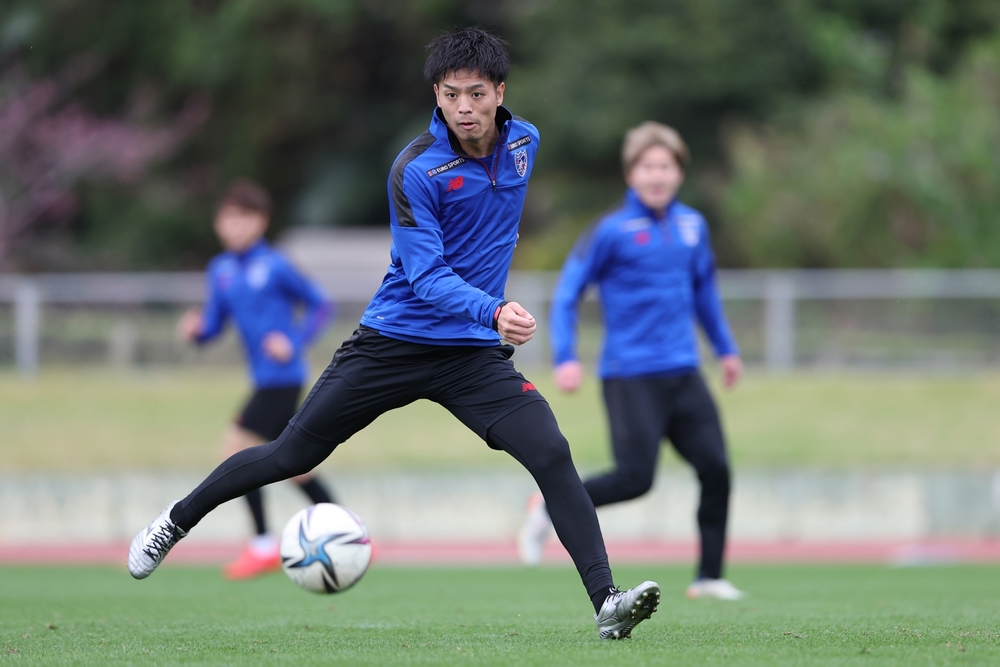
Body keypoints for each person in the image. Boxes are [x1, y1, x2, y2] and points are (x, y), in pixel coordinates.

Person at [128, 28, 659, 640]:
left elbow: (495, 226)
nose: (464, 108)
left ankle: (607, 603)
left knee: (551, 453)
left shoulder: (525, 143)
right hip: (392, 342)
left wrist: (488, 317)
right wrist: (494, 311)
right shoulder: (415, 169)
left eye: (476, 94)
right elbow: (426, 276)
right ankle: (175, 521)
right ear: (436, 95)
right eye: (451, 95)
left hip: (470, 356)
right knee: (292, 455)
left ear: (499, 91)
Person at [518, 121, 746, 601]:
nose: (657, 175)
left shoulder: (693, 226)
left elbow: (704, 292)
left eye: (666, 166)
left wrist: (725, 349)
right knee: (635, 479)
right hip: (630, 375)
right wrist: (566, 356)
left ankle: (709, 577)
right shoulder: (611, 230)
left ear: (679, 173)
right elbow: (568, 293)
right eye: (647, 167)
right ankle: (548, 507)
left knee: (717, 469)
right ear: (631, 174)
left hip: (684, 372)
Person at [177, 178, 337, 580]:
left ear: (261, 221)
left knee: (237, 450)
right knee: (296, 465)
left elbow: (320, 305)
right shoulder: (221, 270)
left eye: (243, 218)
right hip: (263, 379)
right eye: (227, 218)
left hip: (283, 378)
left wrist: (293, 341)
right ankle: (347, 530)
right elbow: (215, 324)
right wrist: (197, 331)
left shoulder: (276, 265)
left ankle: (263, 545)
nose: (234, 226)